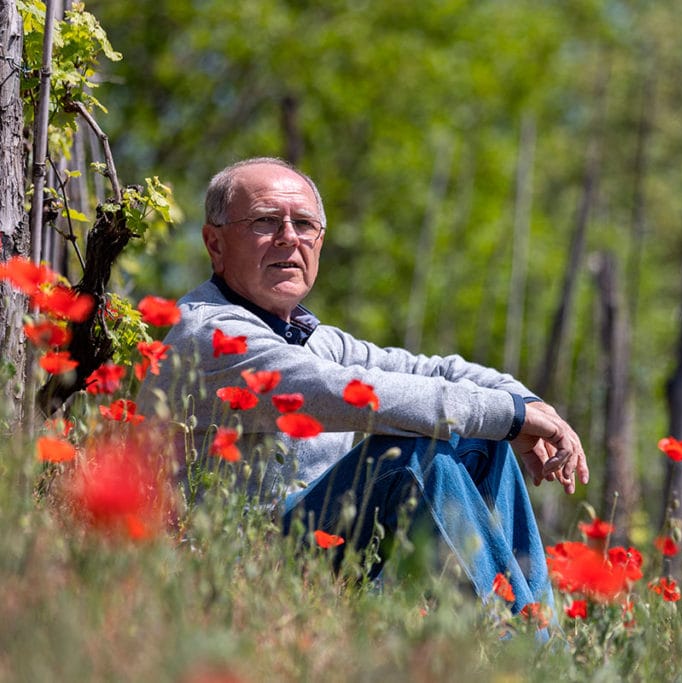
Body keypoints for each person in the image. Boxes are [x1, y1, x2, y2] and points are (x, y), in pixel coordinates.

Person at [139, 157, 588, 628]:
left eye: (304, 224)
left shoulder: (314, 339)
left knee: (482, 436)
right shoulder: (211, 335)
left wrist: (527, 405)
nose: (289, 237)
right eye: (265, 221)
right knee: (416, 457)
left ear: (319, 242)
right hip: (232, 564)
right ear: (215, 243)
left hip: (316, 545)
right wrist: (509, 415)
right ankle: (519, 647)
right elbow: (358, 393)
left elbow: (430, 370)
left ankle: (539, 637)